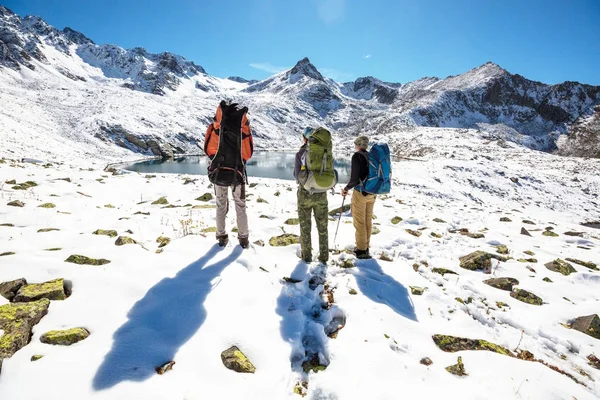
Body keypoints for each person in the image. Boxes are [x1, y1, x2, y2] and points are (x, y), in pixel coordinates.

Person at [204, 101, 254, 249]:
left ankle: (221, 236)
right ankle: (243, 239)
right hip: (237, 173)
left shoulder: (217, 127)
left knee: (220, 205)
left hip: (219, 172)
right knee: (240, 206)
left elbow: (209, 149)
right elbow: (248, 153)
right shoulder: (242, 128)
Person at [294, 127, 329, 264]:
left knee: (305, 227)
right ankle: (324, 256)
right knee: (323, 226)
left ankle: (307, 256)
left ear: (304, 138)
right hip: (321, 194)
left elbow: (297, 175)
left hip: (305, 194)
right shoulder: (324, 151)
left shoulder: (301, 153)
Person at [341, 136, 376, 259]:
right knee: (367, 220)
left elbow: (354, 179)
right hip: (372, 193)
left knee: (360, 222)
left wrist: (346, 189)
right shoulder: (371, 156)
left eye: (355, 143)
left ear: (358, 145)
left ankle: (361, 251)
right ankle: (365, 247)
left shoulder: (357, 156)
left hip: (360, 193)